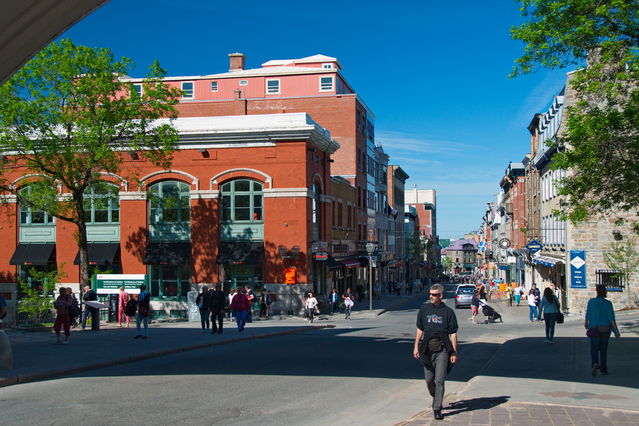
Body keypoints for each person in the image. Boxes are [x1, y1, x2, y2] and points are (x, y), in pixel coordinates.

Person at [413, 284, 459, 421]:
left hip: (443, 349)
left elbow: (453, 334)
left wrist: (454, 352)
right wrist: (415, 346)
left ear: (441, 296)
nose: (431, 296)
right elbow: (419, 330)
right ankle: (436, 396)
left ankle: (437, 408)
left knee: (440, 380)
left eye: (434, 295)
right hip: (426, 348)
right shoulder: (424, 309)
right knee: (429, 380)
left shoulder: (448, 312)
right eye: (430, 294)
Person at [585, 284, 621, 376]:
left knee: (594, 348)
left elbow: (588, 313)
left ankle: (595, 363)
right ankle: (604, 369)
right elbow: (611, 318)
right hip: (606, 328)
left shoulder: (591, 302)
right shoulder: (608, 303)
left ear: (596, 291)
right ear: (605, 292)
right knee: (603, 349)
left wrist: (586, 322)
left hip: (594, 328)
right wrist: (616, 330)